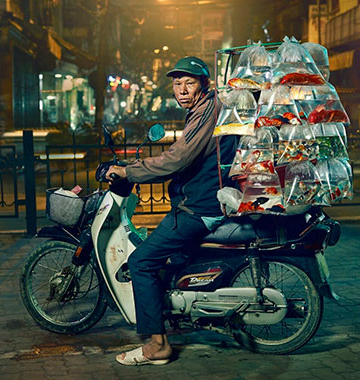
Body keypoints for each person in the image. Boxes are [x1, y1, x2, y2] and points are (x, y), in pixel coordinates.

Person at [106, 56, 238, 366]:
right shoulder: (203, 109)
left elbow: (178, 158)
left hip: (198, 207)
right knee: (176, 261)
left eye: (189, 83)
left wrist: (130, 172)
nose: (181, 90)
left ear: (203, 85)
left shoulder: (208, 111)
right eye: (177, 84)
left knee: (141, 261)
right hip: (201, 200)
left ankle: (157, 344)